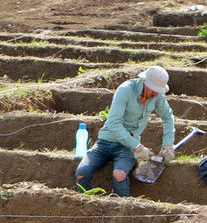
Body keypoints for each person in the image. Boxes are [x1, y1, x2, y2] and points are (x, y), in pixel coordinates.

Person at [75, 66, 175, 197]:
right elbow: (113, 123)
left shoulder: (157, 96)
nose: (156, 94)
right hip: (105, 142)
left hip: (126, 147)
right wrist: (137, 147)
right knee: (82, 172)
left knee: (119, 175)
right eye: (154, 90)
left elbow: (168, 117)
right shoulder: (125, 90)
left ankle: (123, 209)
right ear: (145, 82)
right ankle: (86, 205)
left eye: (158, 91)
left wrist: (168, 144)